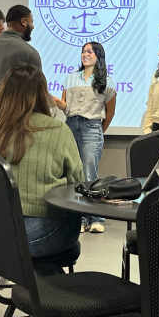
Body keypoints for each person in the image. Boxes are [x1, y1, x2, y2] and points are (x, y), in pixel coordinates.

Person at [0, 64, 84, 276]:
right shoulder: (57, 129)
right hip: (40, 236)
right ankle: (49, 294)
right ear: (42, 93)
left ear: (3, 92)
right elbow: (77, 181)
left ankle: (31, 289)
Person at [54, 42, 116, 234]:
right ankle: (79, 218)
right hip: (71, 125)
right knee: (73, 174)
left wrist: (97, 131)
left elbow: (110, 112)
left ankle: (96, 218)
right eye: (83, 51)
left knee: (90, 173)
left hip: (92, 128)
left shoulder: (106, 80)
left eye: (89, 51)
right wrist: (53, 100)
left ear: (99, 55)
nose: (85, 54)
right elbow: (65, 105)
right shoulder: (71, 78)